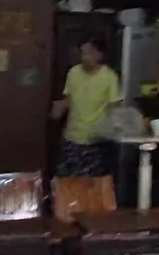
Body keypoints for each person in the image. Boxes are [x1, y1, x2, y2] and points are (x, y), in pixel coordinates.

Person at [51, 36, 122, 177]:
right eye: (82, 53)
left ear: (100, 55)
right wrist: (58, 108)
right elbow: (69, 98)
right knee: (69, 181)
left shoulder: (109, 77)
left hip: (96, 140)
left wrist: (115, 129)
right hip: (71, 138)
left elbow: (113, 108)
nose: (85, 57)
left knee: (91, 182)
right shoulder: (73, 72)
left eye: (90, 53)